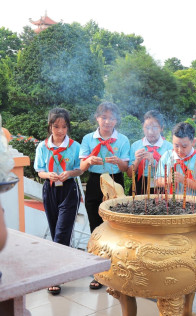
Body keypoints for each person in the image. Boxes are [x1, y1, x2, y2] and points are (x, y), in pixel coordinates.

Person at [79, 102, 130, 290]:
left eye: (112, 118)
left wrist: (119, 162)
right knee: (95, 226)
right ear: (97, 118)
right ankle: (98, 272)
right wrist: (88, 161)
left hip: (116, 181)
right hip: (94, 181)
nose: (107, 121)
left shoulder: (123, 140)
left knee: (116, 226)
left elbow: (126, 169)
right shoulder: (87, 139)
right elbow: (81, 168)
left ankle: (116, 268)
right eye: (104, 117)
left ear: (117, 120)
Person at [34, 108, 83, 295]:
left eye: (64, 126)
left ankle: (56, 275)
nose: (60, 130)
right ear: (50, 126)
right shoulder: (42, 147)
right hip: (50, 190)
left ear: (67, 127)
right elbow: (39, 171)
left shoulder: (75, 146)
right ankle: (62, 268)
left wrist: (69, 173)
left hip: (69, 190)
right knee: (55, 230)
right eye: (56, 126)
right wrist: (49, 175)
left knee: (62, 233)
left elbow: (80, 169)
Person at [156, 122, 196, 196]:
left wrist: (184, 180)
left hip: (192, 201)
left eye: (184, 146)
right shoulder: (167, 156)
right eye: (176, 145)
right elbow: (157, 181)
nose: (179, 150)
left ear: (193, 142)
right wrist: (168, 180)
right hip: (169, 199)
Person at [127, 110, 172, 195]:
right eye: (147, 128)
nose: (150, 132)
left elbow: (171, 174)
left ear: (161, 128)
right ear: (142, 127)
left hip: (161, 186)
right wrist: (137, 160)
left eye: (155, 127)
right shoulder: (136, 145)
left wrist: (154, 162)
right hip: (139, 185)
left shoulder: (169, 147)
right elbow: (129, 174)